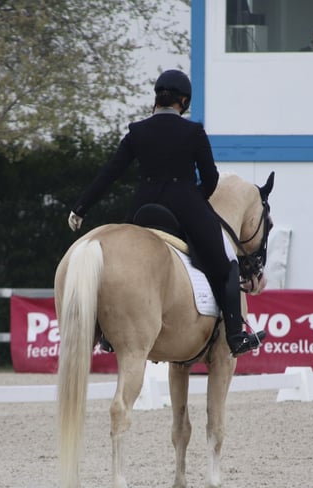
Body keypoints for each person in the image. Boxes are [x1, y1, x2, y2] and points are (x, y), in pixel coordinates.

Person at [66, 70, 265, 357]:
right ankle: (236, 336)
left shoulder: (137, 131)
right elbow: (210, 178)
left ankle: (110, 335)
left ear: (157, 98)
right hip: (185, 207)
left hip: (143, 208)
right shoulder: (193, 131)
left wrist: (80, 207)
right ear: (183, 101)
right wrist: (195, 200)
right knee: (227, 265)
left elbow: (110, 173)